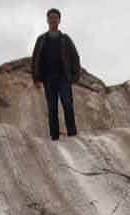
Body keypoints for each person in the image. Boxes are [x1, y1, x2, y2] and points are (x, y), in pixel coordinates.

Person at [31, 8, 80, 141]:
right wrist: (35, 77)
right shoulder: (41, 39)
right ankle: (54, 137)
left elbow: (75, 57)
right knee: (52, 108)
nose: (53, 20)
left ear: (59, 20)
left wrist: (75, 76)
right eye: (51, 17)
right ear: (47, 20)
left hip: (64, 78)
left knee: (68, 104)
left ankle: (72, 134)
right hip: (48, 79)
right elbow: (35, 58)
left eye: (55, 17)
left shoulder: (65, 39)